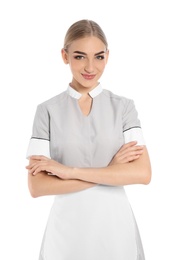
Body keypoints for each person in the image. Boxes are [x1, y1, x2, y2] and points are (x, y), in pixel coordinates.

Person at [26, 19, 151, 260]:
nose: (90, 67)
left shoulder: (124, 107)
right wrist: (112, 171)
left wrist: (68, 171)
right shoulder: (47, 110)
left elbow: (142, 174)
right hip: (66, 230)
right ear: (65, 56)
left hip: (115, 227)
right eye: (80, 56)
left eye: (99, 57)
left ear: (108, 56)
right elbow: (37, 187)